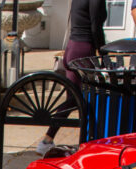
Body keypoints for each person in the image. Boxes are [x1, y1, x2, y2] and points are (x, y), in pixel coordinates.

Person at [35, 0, 106, 155]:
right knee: (78, 99)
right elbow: (96, 27)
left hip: (73, 48)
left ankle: (85, 139)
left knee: (77, 99)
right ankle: (48, 140)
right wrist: (104, 53)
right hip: (83, 51)